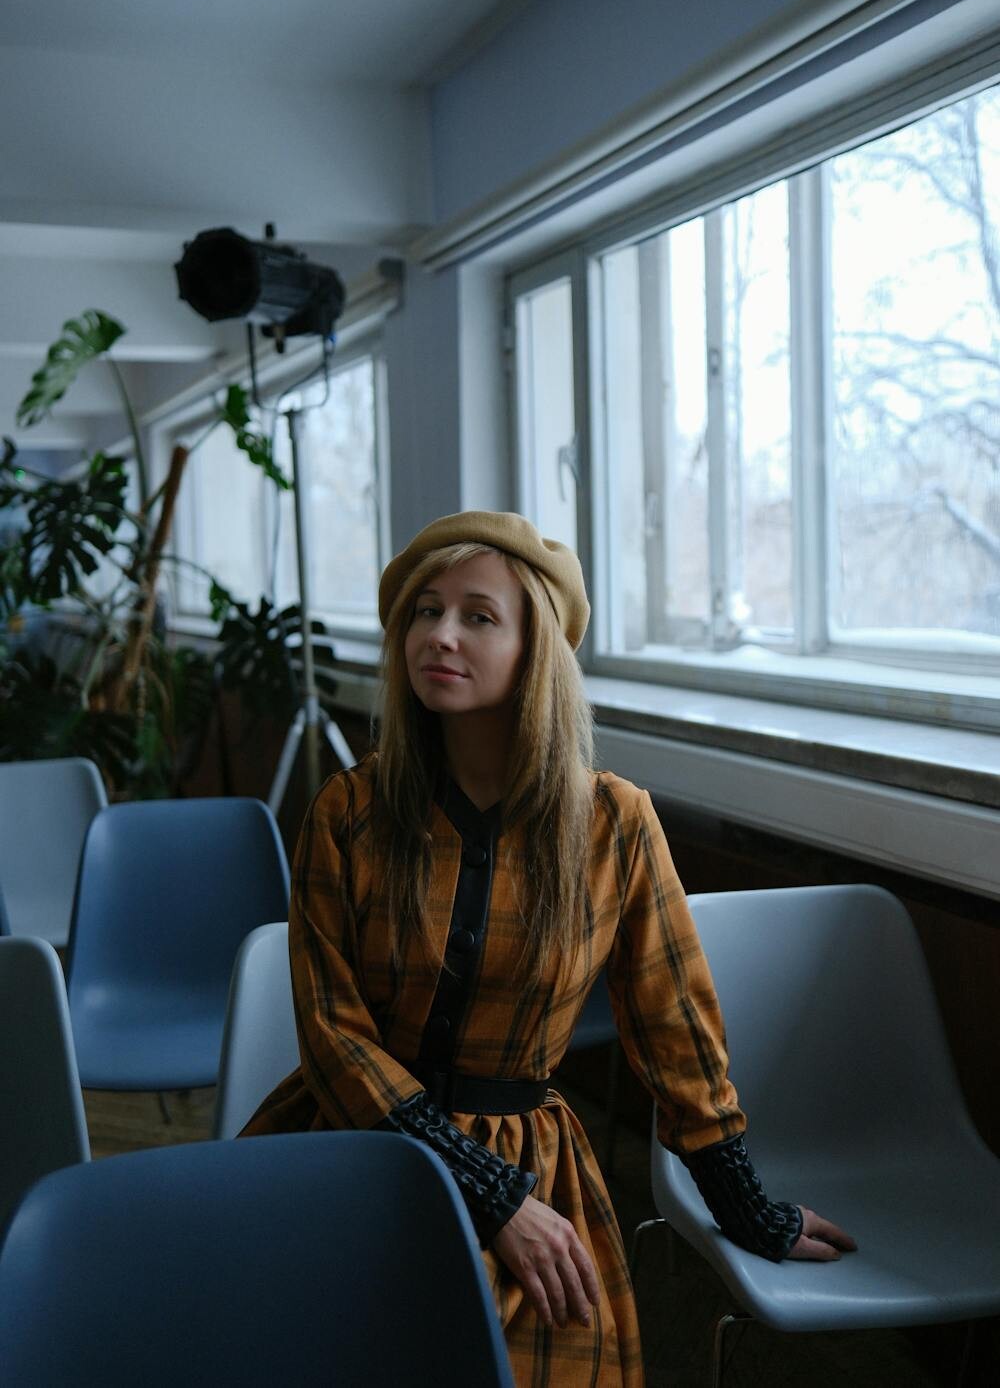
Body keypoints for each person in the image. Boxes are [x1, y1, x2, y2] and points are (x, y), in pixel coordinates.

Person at [241, 510, 855, 1386]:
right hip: (352, 1136)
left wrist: (746, 1206)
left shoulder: (614, 824)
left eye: (478, 616)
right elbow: (332, 1032)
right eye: (426, 611)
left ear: (538, 653)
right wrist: (488, 1197)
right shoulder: (349, 811)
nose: (440, 635)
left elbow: (674, 1029)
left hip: (529, 1158)